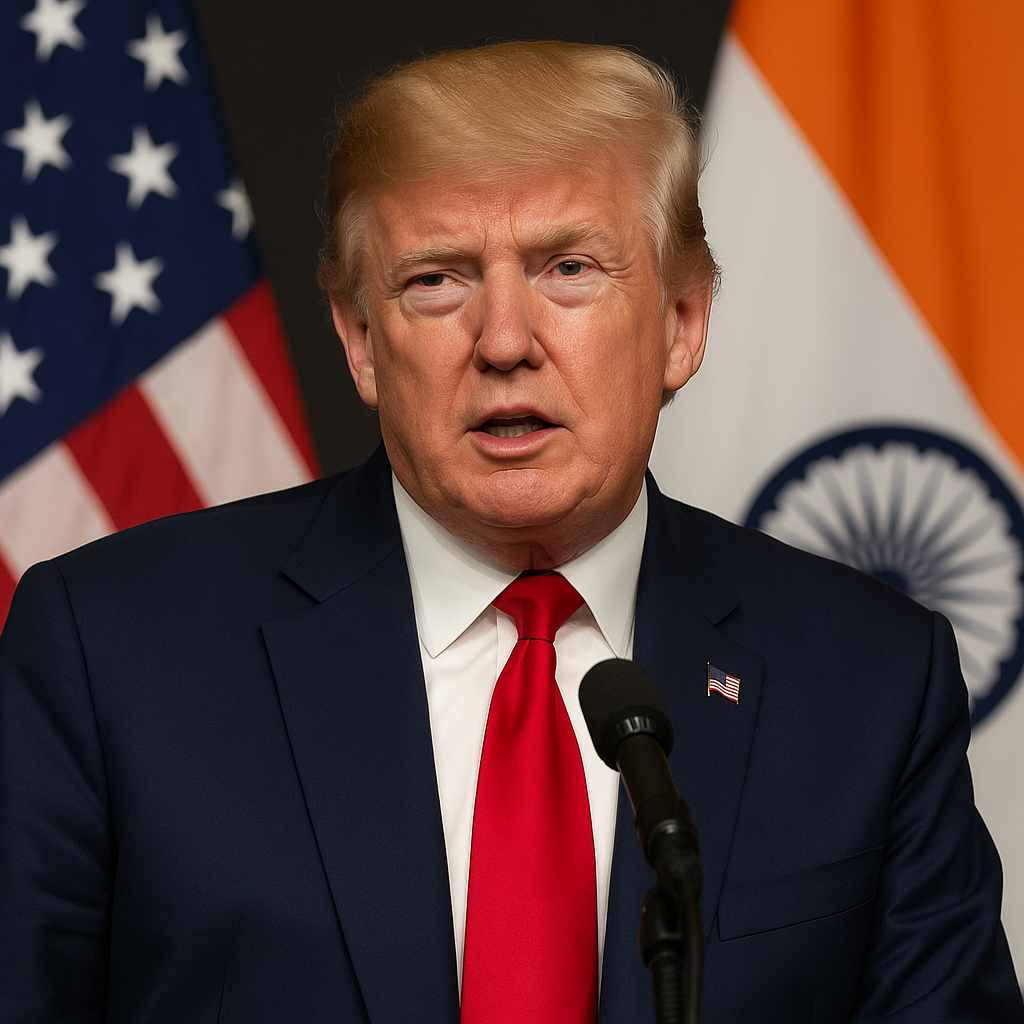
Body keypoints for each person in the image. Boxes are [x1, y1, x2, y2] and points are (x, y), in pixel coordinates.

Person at [0, 39, 1021, 1024]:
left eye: (568, 268)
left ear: (681, 322)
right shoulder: (109, 653)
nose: (502, 341)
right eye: (435, 278)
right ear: (360, 339)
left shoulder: (870, 680)